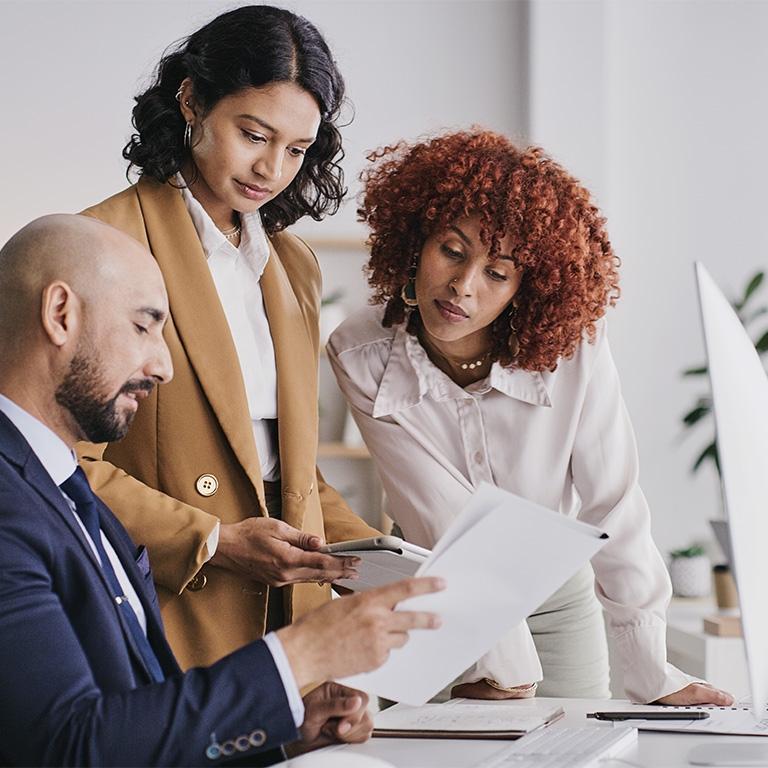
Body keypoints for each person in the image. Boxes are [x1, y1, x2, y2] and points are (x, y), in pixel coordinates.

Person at [0, 213, 443, 767]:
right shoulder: (12, 506)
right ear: (60, 314)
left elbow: (126, 730)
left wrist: (281, 735)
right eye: (143, 327)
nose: (163, 366)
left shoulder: (68, 491)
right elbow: (68, 749)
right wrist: (299, 655)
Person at [327, 129, 734, 706]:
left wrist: (652, 671)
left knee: (570, 743)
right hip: (435, 592)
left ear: (526, 287)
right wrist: (501, 665)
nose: (463, 286)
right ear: (416, 240)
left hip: (557, 599)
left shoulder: (574, 349)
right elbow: (435, 511)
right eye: (452, 251)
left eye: (497, 273)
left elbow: (613, 502)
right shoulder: (360, 352)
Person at [77, 5, 381, 670]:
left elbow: (286, 470)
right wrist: (213, 539)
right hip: (167, 606)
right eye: (253, 134)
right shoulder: (102, 246)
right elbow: (55, 464)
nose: (271, 168)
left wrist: (386, 560)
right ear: (191, 100)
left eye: (296, 150)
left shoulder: (293, 265)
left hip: (291, 615)